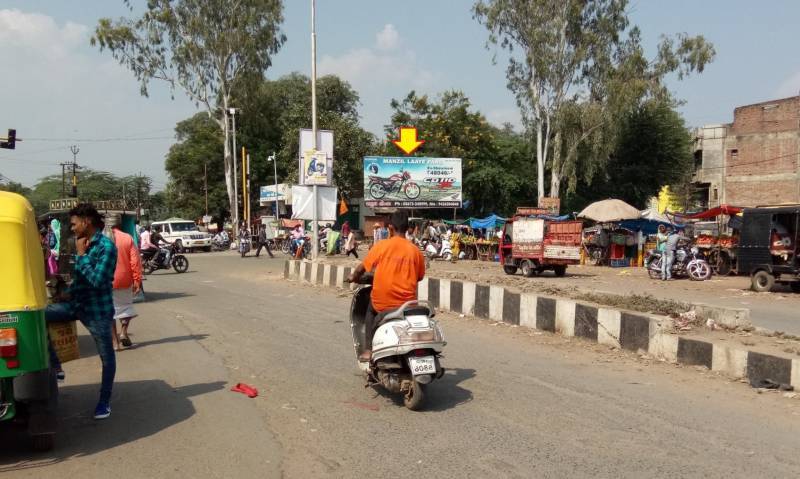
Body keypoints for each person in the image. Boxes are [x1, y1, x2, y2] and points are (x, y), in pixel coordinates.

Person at [45, 204, 117, 419]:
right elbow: (82, 280)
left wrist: (82, 255)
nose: (72, 227)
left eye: (74, 223)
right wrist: (68, 292)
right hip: (78, 305)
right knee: (39, 316)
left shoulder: (106, 247)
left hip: (98, 312)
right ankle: (57, 366)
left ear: (87, 221)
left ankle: (104, 402)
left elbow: (96, 281)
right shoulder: (80, 243)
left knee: (107, 358)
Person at [347, 211, 425, 362]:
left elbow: (361, 268)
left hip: (383, 305)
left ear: (390, 227)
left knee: (370, 311)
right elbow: (419, 276)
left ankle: (369, 350)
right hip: (407, 306)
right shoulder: (415, 251)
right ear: (408, 227)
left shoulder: (382, 246)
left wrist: (354, 277)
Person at [106, 215, 143, 350]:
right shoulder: (127, 238)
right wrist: (137, 280)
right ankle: (123, 332)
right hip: (124, 279)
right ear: (120, 224)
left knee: (110, 312)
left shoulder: (101, 239)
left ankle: (115, 342)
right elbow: (135, 262)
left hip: (106, 281)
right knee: (126, 307)